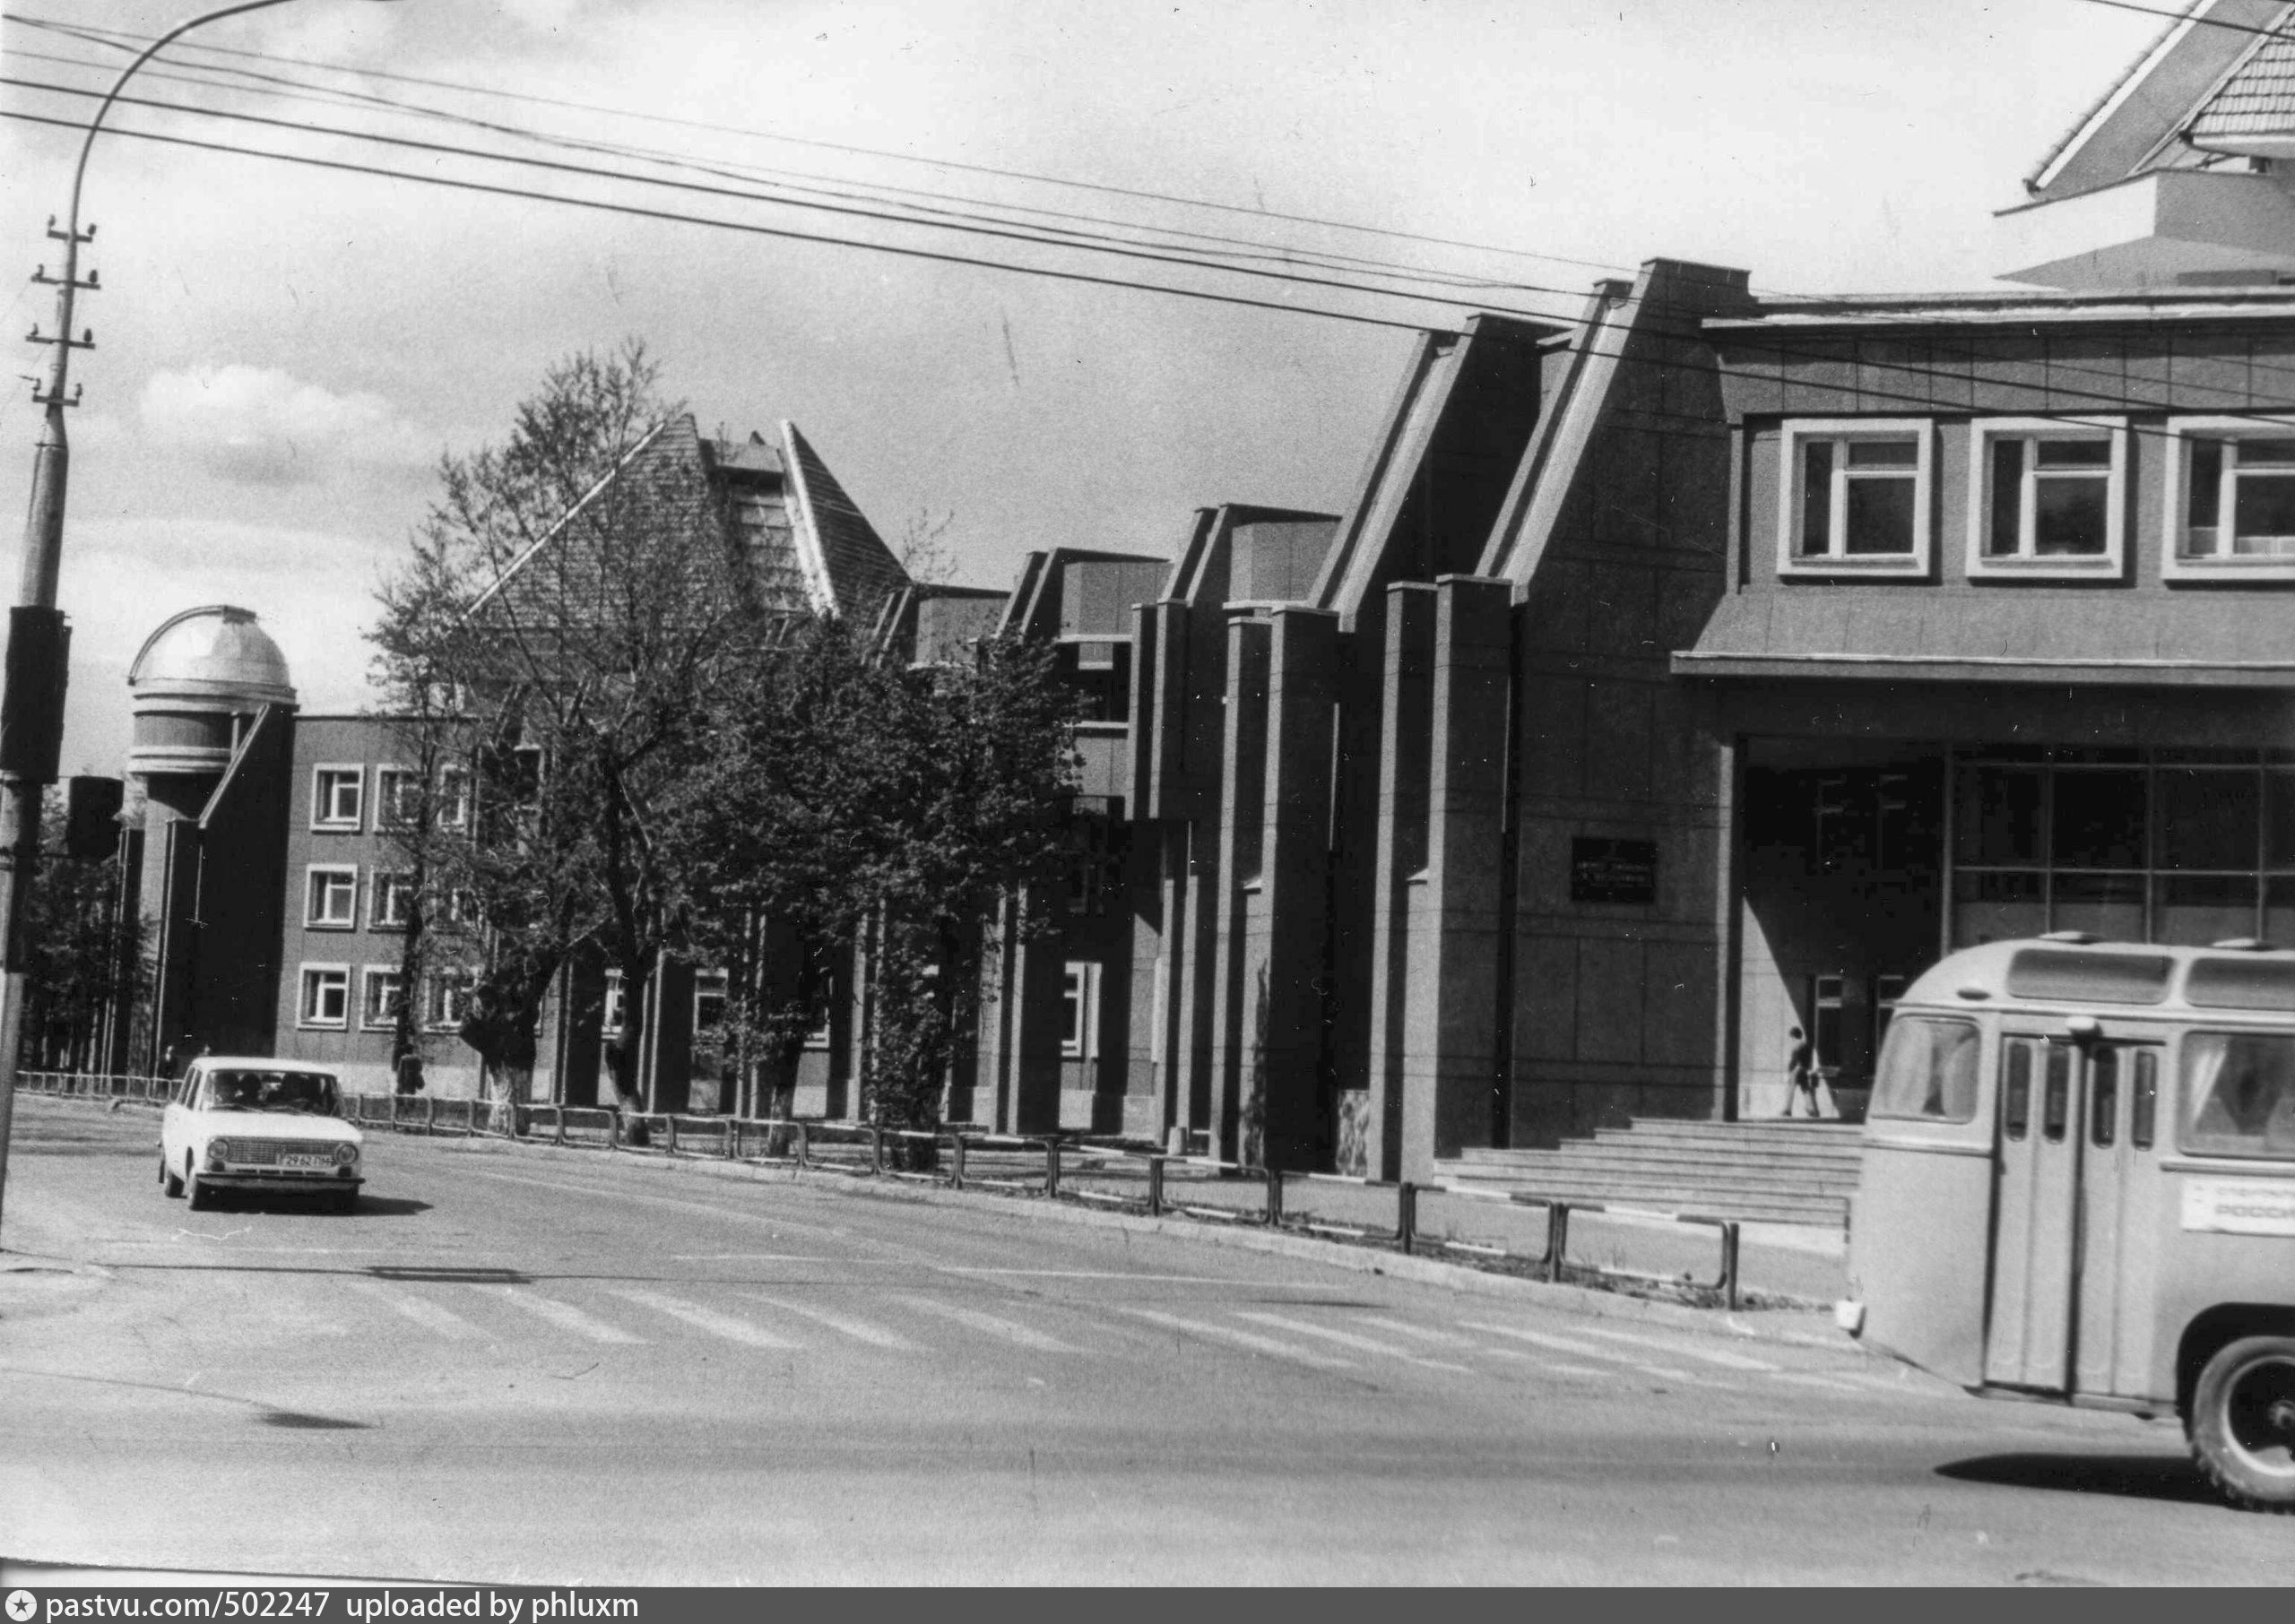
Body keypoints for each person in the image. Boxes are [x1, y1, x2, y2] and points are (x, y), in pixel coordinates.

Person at [1784, 1024, 1820, 1119]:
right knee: (1805, 1089)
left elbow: (1795, 1060)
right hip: (1804, 1069)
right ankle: (1811, 1109)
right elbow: (1808, 1060)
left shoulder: (1797, 1045)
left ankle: (1787, 1110)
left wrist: (1791, 1071)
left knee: (1790, 1090)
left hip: (1796, 1070)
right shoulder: (1806, 1045)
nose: (1791, 1039)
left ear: (1794, 1036)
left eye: (1791, 1037)